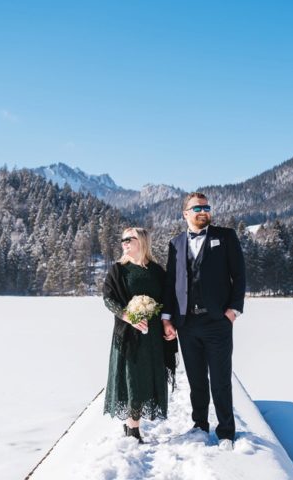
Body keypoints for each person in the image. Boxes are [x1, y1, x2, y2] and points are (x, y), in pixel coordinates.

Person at [162, 192, 246, 451]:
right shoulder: (175, 243)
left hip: (217, 322)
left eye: (206, 207)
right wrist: (167, 318)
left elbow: (239, 275)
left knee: (220, 379)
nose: (203, 211)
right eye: (197, 208)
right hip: (186, 324)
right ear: (185, 213)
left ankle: (226, 432)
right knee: (196, 379)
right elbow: (170, 283)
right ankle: (199, 426)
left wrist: (233, 310)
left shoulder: (226, 236)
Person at [103, 227, 177, 444]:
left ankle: (130, 423)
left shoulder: (157, 271)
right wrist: (127, 316)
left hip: (153, 335)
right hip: (128, 334)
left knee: (147, 377)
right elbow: (108, 298)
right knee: (131, 378)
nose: (125, 242)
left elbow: (167, 299)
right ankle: (133, 429)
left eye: (130, 239)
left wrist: (168, 324)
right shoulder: (118, 270)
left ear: (142, 241)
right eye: (123, 239)